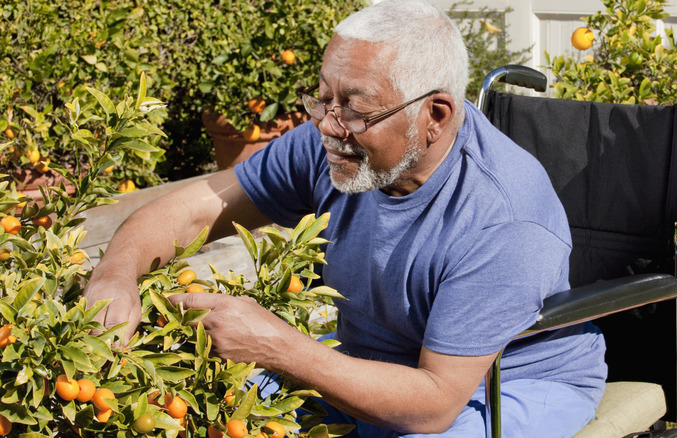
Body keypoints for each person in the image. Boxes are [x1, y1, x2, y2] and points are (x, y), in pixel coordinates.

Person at [84, 0, 607, 436]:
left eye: (355, 109)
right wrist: (115, 275)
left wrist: (280, 347)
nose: (330, 125)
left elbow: (433, 404)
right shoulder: (336, 142)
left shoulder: (501, 218)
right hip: (368, 365)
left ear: (435, 116)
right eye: (323, 97)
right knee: (186, 391)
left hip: (502, 385)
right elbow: (193, 207)